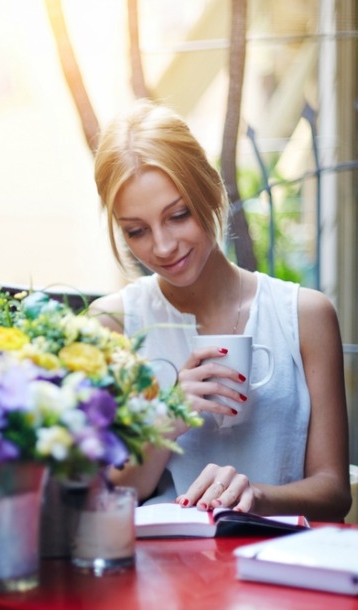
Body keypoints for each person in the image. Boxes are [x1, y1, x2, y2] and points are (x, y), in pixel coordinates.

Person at [90, 99, 351, 522]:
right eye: (136, 231)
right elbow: (104, 494)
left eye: (178, 215)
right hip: (160, 575)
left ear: (209, 190)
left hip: (276, 569)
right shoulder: (113, 325)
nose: (162, 246)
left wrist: (257, 497)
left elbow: (334, 492)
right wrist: (168, 417)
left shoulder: (305, 316)